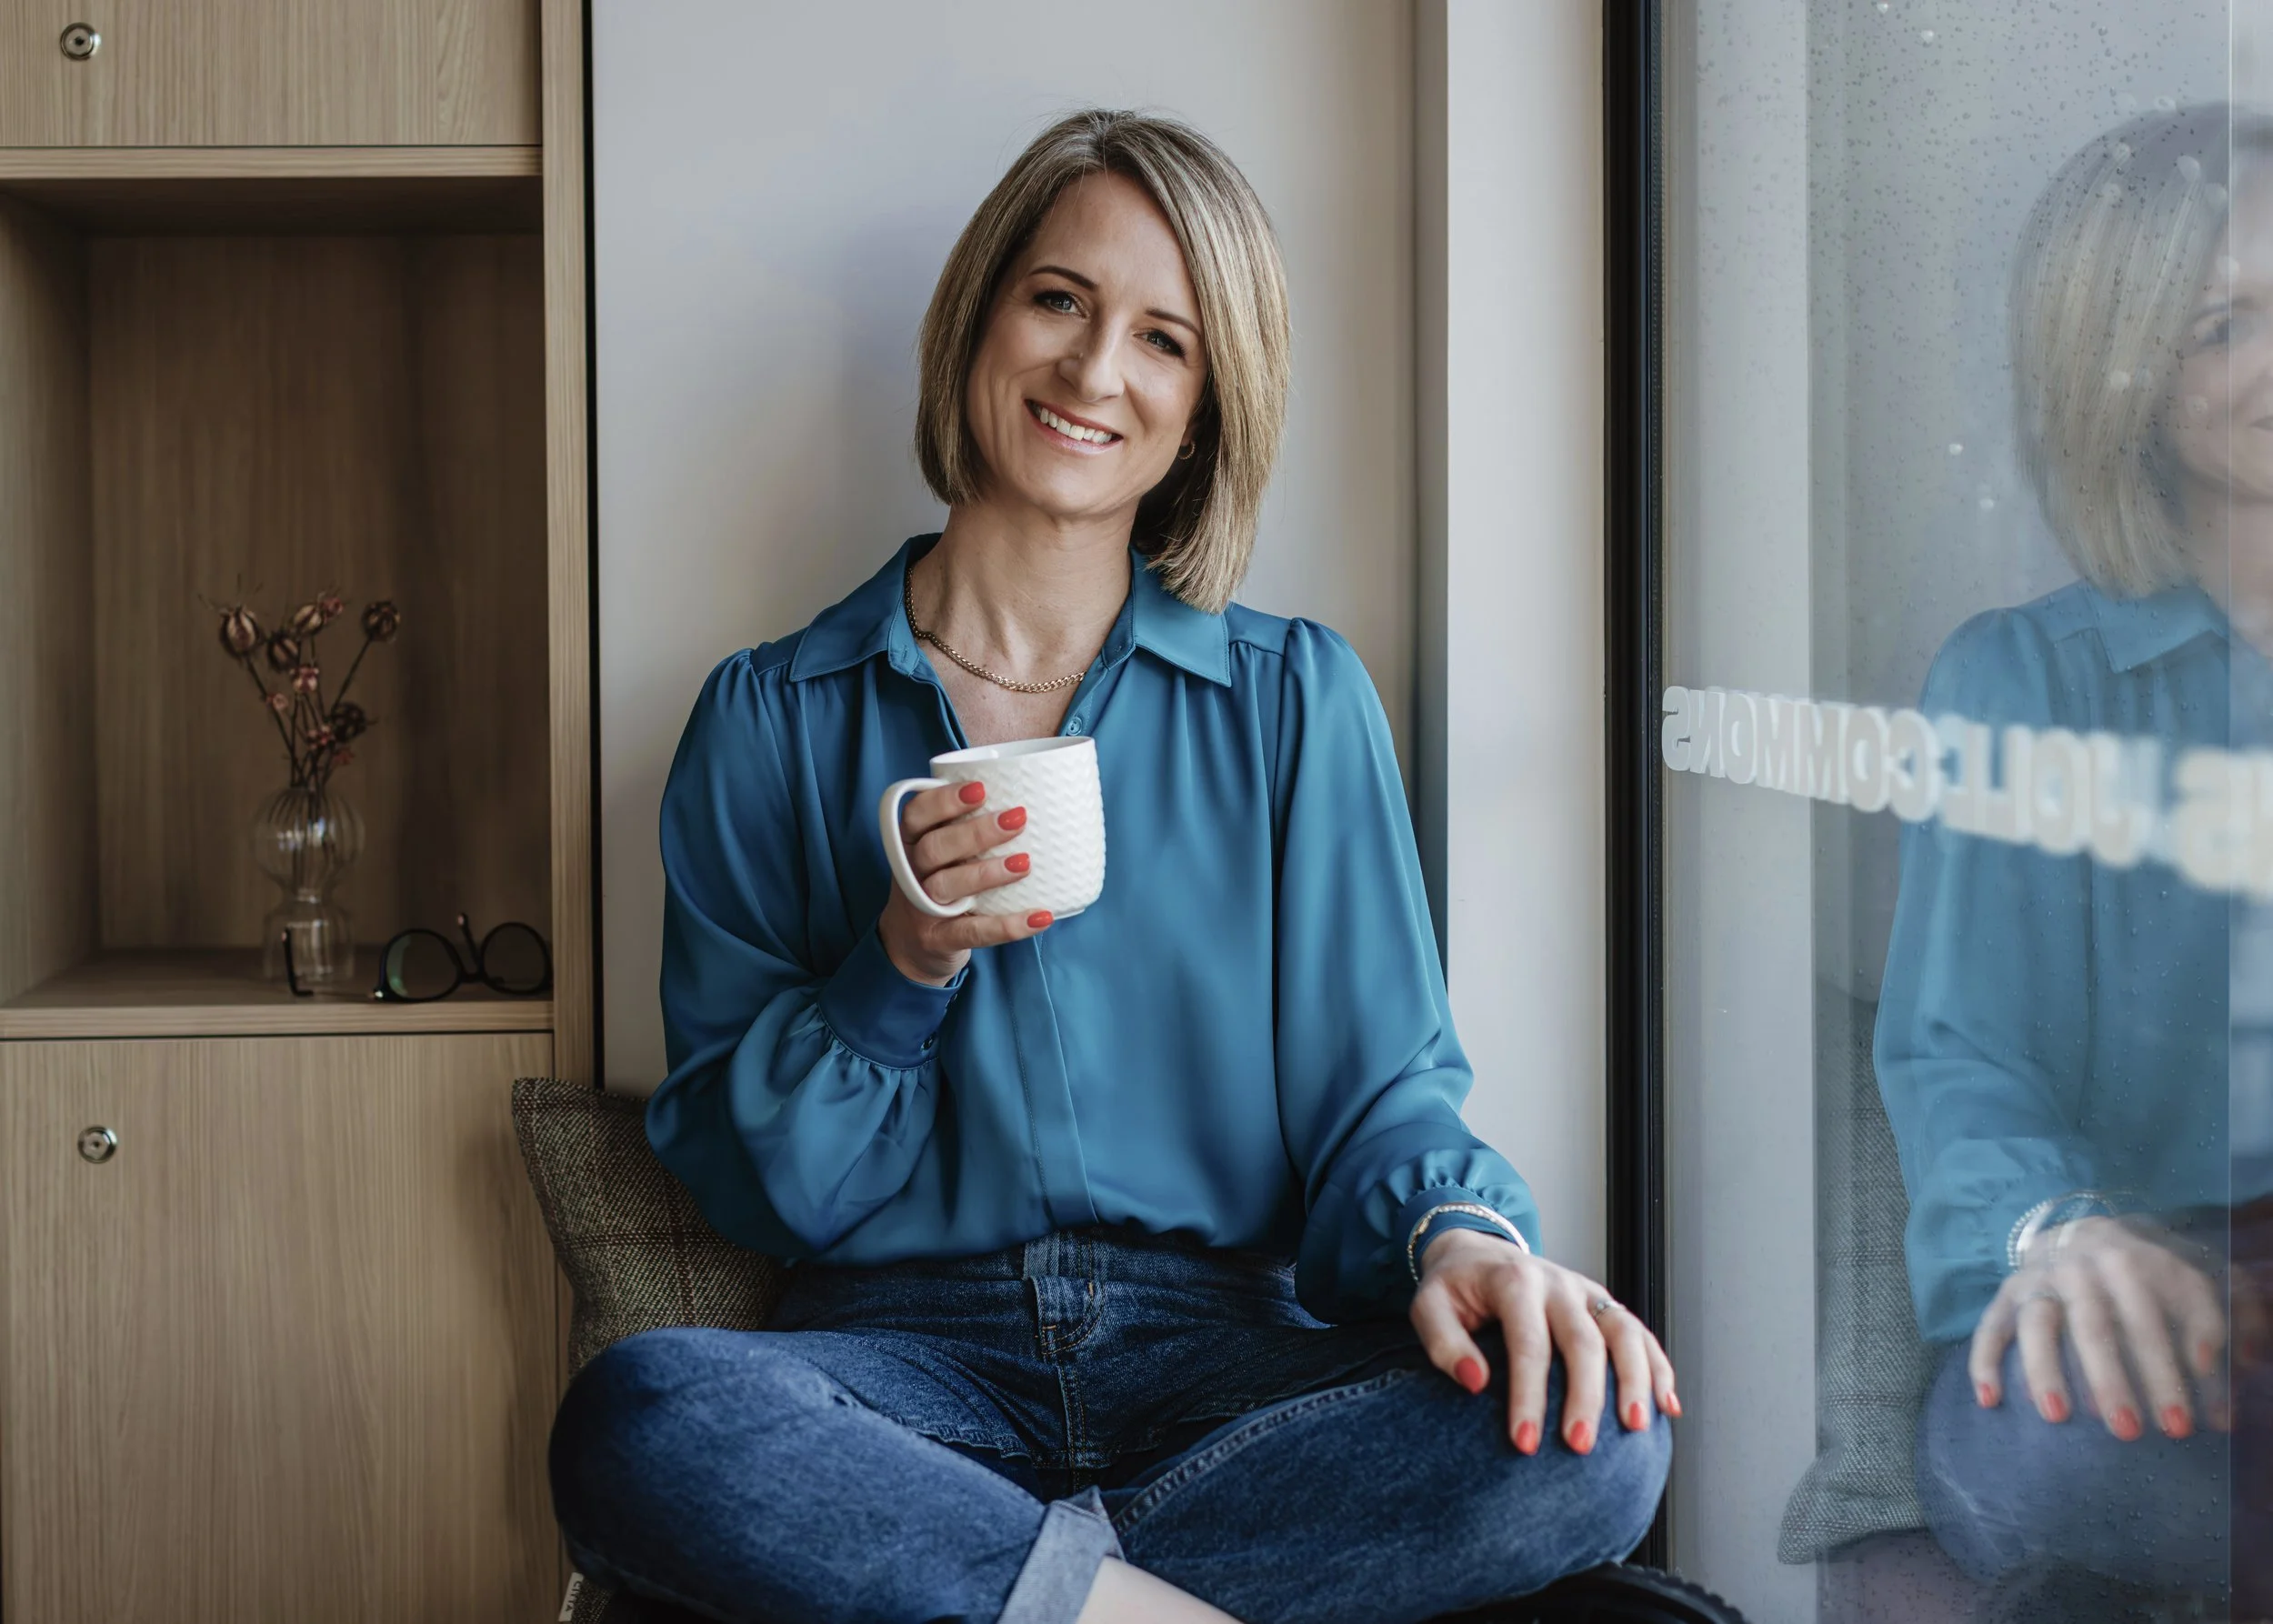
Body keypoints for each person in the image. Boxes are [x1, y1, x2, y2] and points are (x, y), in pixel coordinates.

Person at [545, 109, 1673, 1624]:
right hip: (902, 1378)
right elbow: (759, 1191)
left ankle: (1043, 1598)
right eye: (1060, 302)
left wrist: (1461, 1235)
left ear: (1206, 409)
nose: (1094, 374)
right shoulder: (769, 717)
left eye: (1166, 341)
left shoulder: (1294, 702)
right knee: (643, 1414)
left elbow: (1383, 1095)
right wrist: (903, 961)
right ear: (979, 321)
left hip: (1230, 1369)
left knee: (1602, 1431)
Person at [1877, 103, 2273, 1619]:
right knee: (2053, 1460)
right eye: (2224, 324)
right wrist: (2060, 1236)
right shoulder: (2023, 680)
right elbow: (1965, 1062)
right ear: (2130, 376)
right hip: (2130, 1298)